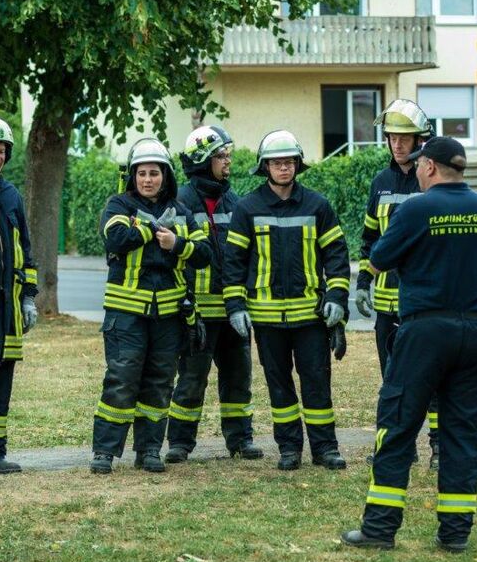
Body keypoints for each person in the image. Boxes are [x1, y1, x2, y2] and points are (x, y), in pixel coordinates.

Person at [342, 137, 477, 552]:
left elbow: (379, 259)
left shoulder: (415, 208)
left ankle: (380, 529)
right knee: (464, 433)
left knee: (398, 424)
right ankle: (455, 535)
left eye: (418, 165)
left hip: (426, 330)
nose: (414, 170)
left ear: (430, 167)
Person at [222, 130, 350, 471]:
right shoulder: (247, 209)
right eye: (277, 162)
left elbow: (337, 256)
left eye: (289, 162)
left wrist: (337, 296)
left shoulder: (318, 206)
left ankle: (326, 449)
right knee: (280, 389)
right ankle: (289, 448)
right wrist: (235, 306)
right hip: (266, 320)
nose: (284, 168)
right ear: (265, 167)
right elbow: (232, 263)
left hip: (310, 317)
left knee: (317, 385)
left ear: (298, 164)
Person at [90, 138, 211, 474]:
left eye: (154, 173)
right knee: (121, 379)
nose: (147, 179)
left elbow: (205, 255)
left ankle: (150, 451)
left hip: (168, 316)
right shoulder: (118, 205)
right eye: (141, 173)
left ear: (165, 175)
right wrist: (149, 229)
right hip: (125, 315)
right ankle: (104, 452)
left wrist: (177, 243)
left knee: (159, 382)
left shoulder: (183, 212)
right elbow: (114, 238)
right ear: (133, 176)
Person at [165, 125, 263, 463]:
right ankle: (179, 442)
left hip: (233, 307)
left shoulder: (235, 201)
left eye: (227, 155)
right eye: (221, 156)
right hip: (196, 312)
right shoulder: (179, 202)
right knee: (191, 380)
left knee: (239, 378)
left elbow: (244, 253)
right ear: (203, 160)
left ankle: (240, 440)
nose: (228, 162)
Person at [355, 99, 440, 469]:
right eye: (392, 138)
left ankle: (440, 447)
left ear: (421, 139)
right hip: (389, 304)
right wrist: (362, 283)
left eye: (405, 138)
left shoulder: (435, 179)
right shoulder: (380, 183)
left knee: (434, 380)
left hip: (426, 301)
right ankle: (395, 446)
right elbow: (369, 239)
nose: (398, 145)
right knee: (392, 381)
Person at [0, 117, 38, 474]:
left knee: (2, 382)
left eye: (0, 151)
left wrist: (28, 297)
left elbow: (25, 247)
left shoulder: (10, 196)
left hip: (5, 311)